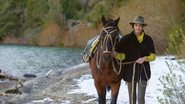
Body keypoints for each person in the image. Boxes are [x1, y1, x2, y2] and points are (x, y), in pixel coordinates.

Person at [116, 16, 156, 104]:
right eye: (136, 25)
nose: (138, 27)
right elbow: (121, 56)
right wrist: (116, 55)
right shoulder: (126, 39)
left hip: (143, 70)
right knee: (132, 99)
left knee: (141, 99)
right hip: (130, 71)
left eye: (140, 25)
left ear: (143, 27)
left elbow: (153, 56)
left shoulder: (148, 39)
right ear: (133, 26)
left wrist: (145, 58)